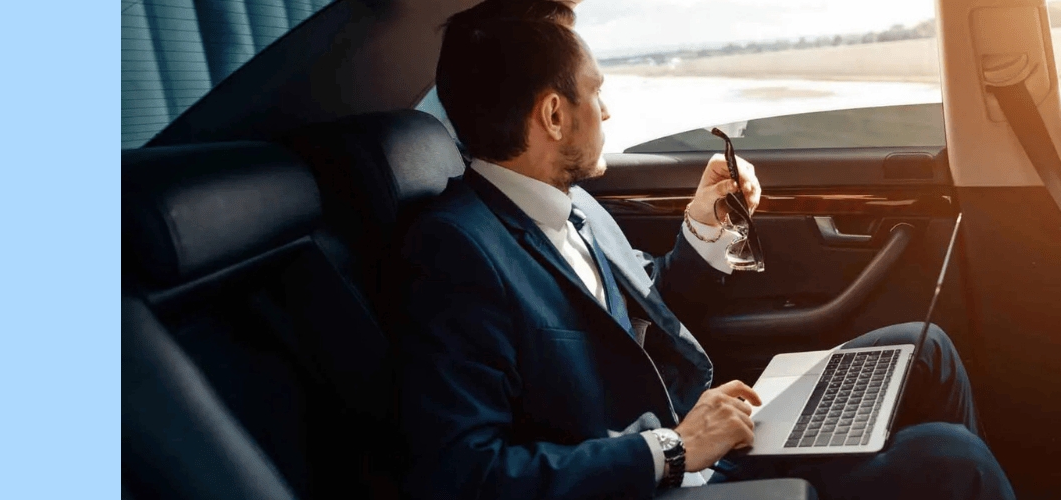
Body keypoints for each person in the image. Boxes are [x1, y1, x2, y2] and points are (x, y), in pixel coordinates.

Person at [395, 1, 1013, 498]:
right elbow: (466, 473)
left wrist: (703, 227)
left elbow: (641, 309)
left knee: (925, 348)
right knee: (951, 458)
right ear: (554, 115)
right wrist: (674, 448)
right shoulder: (455, 250)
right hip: (653, 477)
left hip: (697, 439)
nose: (607, 109)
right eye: (595, 91)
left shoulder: (571, 203)